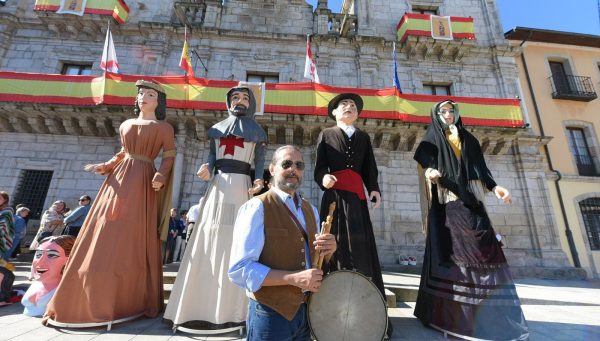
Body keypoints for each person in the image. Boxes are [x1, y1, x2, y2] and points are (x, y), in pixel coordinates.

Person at [43, 80, 176, 327]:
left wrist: (161, 175)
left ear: (159, 102)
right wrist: (107, 165)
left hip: (144, 177)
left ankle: (128, 295)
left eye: (150, 94)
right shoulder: (126, 124)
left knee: (133, 226)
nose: (143, 98)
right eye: (141, 94)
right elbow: (124, 152)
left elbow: (169, 155)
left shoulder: (164, 127)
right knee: (104, 223)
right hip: (119, 178)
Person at [413, 100, 528, 340]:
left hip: (473, 199)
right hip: (449, 200)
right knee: (459, 252)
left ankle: (493, 317)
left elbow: (481, 169)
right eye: (443, 111)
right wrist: (430, 171)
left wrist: (496, 188)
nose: (448, 114)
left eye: (451, 111)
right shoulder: (430, 138)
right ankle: (454, 319)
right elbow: (425, 160)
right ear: (436, 115)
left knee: (485, 249)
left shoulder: (469, 139)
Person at [164, 86, 267, 333]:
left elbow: (260, 161)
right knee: (208, 239)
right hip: (217, 188)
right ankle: (196, 308)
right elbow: (211, 156)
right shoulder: (217, 128)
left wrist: (259, 179)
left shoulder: (258, 131)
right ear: (228, 101)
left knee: (237, 239)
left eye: (244, 98)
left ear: (250, 103)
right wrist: (207, 167)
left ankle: (235, 310)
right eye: (235, 97)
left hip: (241, 186)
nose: (239, 101)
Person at [229, 145, 337, 341]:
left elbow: (313, 260)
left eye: (299, 165)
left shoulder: (310, 209)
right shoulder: (256, 207)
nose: (293, 169)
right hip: (270, 314)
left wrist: (329, 250)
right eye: (286, 163)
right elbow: (240, 269)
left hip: (306, 312)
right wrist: (293, 278)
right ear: (272, 169)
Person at [313, 93, 392, 336]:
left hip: (357, 202)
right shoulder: (326, 135)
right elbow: (319, 167)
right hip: (334, 199)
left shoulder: (364, 137)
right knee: (333, 247)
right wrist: (323, 177)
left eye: (353, 106)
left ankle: (365, 307)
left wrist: (374, 189)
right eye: (343, 105)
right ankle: (328, 308)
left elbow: (370, 168)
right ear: (334, 113)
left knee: (361, 248)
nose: (349, 107)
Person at [22, 235, 75, 317]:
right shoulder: (37, 283)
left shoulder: (66, 289)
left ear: (69, 259)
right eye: (38, 254)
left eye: (52, 255)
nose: (40, 262)